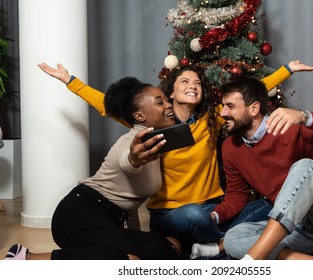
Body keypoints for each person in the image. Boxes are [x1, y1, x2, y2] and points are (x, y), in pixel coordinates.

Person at [37, 61, 313, 258]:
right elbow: (107, 107)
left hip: (214, 208)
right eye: (184, 81)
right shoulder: (152, 126)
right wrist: (71, 82)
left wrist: (287, 70)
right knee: (193, 215)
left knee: (266, 204)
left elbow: (248, 97)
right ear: (170, 92)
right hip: (173, 214)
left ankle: (218, 238)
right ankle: (225, 240)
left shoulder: (211, 120)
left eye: (197, 82)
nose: (192, 85)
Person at [5, 76, 181, 260]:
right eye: (160, 102)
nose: (169, 105)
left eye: (166, 100)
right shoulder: (131, 142)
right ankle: (26, 258)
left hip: (109, 218)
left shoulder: (155, 143)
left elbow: (130, 202)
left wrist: (134, 238)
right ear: (139, 116)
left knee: (168, 247)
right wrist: (134, 159)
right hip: (79, 213)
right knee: (127, 259)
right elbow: (128, 161)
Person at [213, 76, 313, 260]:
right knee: (233, 237)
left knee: (305, 166)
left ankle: (252, 260)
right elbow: (237, 194)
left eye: (230, 106)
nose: (222, 112)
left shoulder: (291, 127)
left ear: (253, 108)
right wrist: (215, 215)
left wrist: (304, 116)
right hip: (303, 229)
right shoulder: (230, 147)